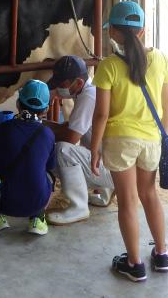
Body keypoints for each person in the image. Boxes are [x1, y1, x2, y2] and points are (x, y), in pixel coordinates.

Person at [90, 0, 168, 282]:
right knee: (150, 194)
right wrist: (160, 138)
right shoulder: (160, 59)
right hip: (151, 139)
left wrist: (94, 148)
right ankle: (161, 254)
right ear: (143, 31)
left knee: (127, 201)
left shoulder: (108, 67)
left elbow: (101, 115)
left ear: (113, 32)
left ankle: (135, 263)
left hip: (120, 140)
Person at [0, 79, 55, 237]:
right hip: (36, 202)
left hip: (4, 203)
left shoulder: (2, 129)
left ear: (18, 104)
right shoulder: (48, 134)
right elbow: (49, 167)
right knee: (50, 177)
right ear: (46, 109)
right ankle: (37, 218)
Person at [43, 55, 114, 225]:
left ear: (79, 83)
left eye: (63, 85)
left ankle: (78, 207)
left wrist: (42, 125)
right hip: (113, 163)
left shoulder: (88, 97)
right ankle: (106, 191)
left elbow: (70, 137)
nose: (59, 88)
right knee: (76, 134)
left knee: (62, 150)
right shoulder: (89, 89)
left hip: (109, 169)